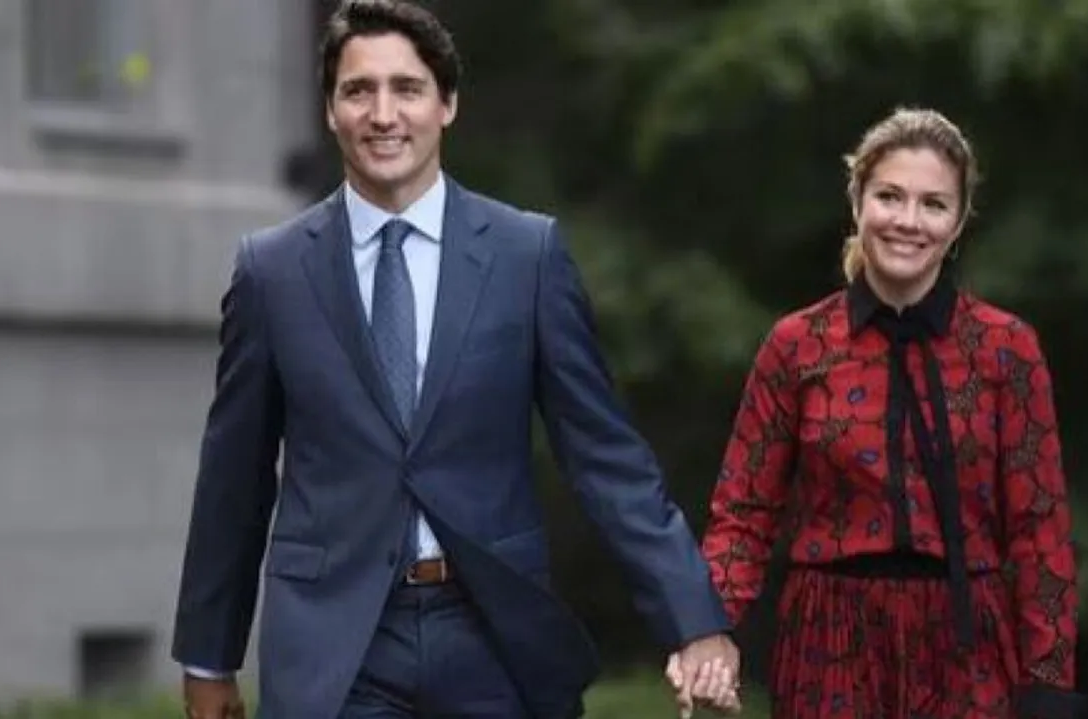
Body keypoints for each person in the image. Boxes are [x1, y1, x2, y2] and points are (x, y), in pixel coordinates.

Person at [170, 1, 741, 717]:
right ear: (330, 111)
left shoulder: (526, 256)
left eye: (407, 89)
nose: (383, 114)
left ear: (447, 105)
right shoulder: (271, 271)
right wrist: (209, 656)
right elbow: (234, 478)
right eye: (358, 90)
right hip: (336, 647)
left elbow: (606, 457)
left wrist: (693, 619)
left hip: (492, 634)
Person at [693, 108, 1085, 717]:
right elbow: (743, 512)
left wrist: (1049, 684)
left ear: (958, 223)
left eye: (933, 204)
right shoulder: (798, 345)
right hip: (829, 643)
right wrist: (705, 628)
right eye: (890, 196)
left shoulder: (1006, 349)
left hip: (968, 648)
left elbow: (1040, 532)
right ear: (857, 203)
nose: (908, 221)